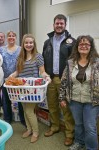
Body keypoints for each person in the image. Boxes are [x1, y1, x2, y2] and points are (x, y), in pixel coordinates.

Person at [59, 35, 99, 150]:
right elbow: (64, 81)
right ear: (77, 47)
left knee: (90, 127)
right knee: (78, 124)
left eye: (86, 44)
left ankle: (91, 147)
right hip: (74, 100)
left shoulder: (97, 62)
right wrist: (61, 98)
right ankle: (79, 142)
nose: (83, 46)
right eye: (81, 44)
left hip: (92, 101)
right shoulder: (70, 62)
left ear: (91, 47)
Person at [10, 34, 51, 143]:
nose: (29, 45)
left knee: (29, 111)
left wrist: (46, 76)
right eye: (26, 43)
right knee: (24, 110)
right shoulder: (20, 57)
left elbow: (42, 72)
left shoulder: (38, 56)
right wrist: (11, 76)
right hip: (21, 88)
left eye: (31, 43)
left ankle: (36, 132)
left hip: (33, 89)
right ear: (23, 44)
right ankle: (29, 129)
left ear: (34, 44)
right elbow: (18, 72)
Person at [42, 14, 75, 146]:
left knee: (65, 108)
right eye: (57, 23)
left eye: (62, 23)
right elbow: (43, 60)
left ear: (65, 25)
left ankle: (69, 134)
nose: (59, 25)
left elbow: (74, 61)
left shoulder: (71, 41)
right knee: (52, 105)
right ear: (53, 25)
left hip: (64, 80)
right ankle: (55, 127)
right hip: (50, 79)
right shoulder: (47, 42)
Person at [0, 31, 25, 125]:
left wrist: (16, 74)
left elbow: (23, 63)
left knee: (20, 100)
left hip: (18, 78)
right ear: (6, 38)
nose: (11, 37)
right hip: (5, 79)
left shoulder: (21, 49)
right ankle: (7, 119)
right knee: (6, 100)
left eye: (13, 36)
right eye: (9, 36)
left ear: (16, 37)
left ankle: (22, 119)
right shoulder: (1, 49)